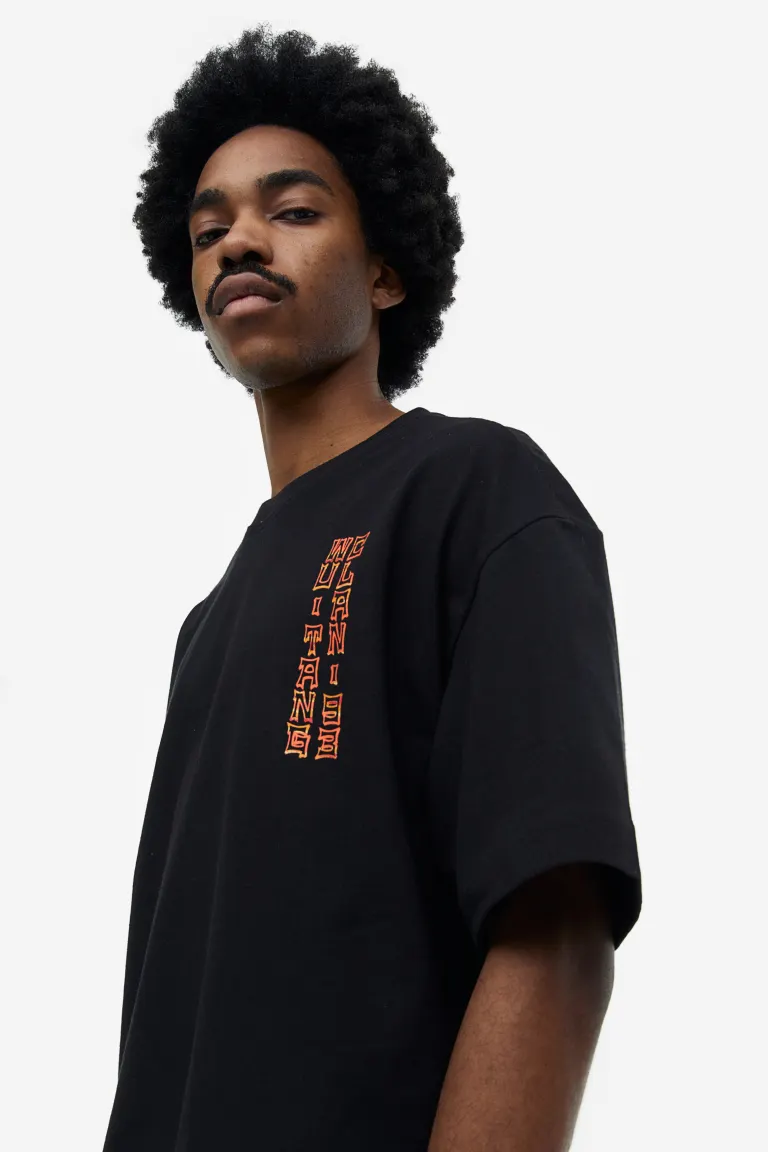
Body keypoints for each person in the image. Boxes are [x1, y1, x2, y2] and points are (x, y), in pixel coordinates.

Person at [102, 23, 642, 1152]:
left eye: (294, 211)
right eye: (209, 230)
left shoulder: (477, 489)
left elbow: (556, 918)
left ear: (387, 270)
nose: (241, 241)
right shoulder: (205, 627)